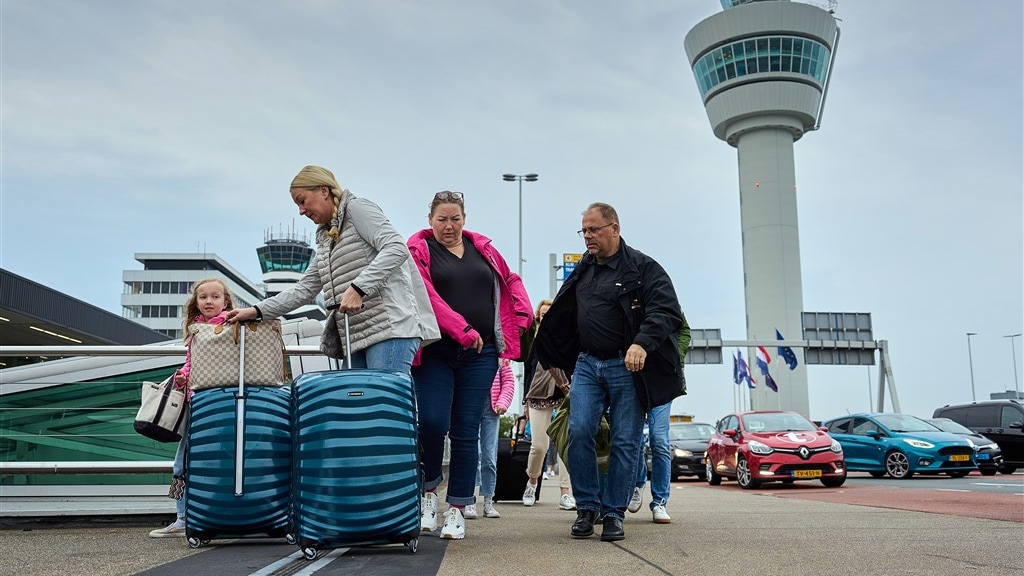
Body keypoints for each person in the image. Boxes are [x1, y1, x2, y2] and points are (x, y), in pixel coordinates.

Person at [532, 202, 685, 543]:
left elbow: (666, 310)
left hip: (626, 366)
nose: (588, 236)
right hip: (587, 363)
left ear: (614, 228)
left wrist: (642, 343)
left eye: (594, 229)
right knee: (580, 430)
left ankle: (614, 513)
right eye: (583, 230)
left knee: (626, 440)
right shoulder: (585, 268)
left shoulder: (643, 268)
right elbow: (566, 309)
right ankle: (587, 508)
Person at [226, 165, 439, 376]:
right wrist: (256, 311)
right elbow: (304, 289)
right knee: (361, 408)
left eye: (302, 201)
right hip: (355, 335)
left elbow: (395, 247)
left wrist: (358, 289)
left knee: (383, 405)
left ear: (324, 191)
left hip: (389, 329)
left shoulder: (357, 209)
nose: (301, 211)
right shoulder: (326, 239)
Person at [408, 190, 533, 540]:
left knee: (466, 431)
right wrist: (460, 329)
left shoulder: (484, 249)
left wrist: (521, 316)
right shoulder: (418, 251)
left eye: (455, 219)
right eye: (441, 220)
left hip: (482, 353)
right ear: (430, 220)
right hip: (436, 351)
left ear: (464, 219)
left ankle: (458, 509)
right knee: (431, 423)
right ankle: (430, 493)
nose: (449, 226)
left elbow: (510, 281)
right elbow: (426, 297)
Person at [148, 277, 235, 537]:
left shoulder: (233, 325)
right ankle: (183, 516)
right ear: (196, 302)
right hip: (198, 403)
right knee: (185, 463)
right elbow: (191, 363)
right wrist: (183, 376)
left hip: (211, 403)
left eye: (215, 297)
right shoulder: (195, 330)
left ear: (226, 301)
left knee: (185, 463)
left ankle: (185, 517)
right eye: (203, 297)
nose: (209, 301)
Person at [630, 315, 689, 524]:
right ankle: (637, 484)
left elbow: (685, 331)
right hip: (633, 378)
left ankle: (660, 502)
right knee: (633, 441)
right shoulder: (630, 298)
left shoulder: (666, 300)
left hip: (663, 381)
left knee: (659, 441)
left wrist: (675, 355)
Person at [521, 299, 575, 511]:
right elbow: (528, 370)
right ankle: (532, 482)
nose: (546, 318)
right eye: (542, 315)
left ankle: (565, 493)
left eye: (549, 314)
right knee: (539, 446)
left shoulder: (566, 337)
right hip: (537, 394)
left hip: (564, 392)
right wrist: (525, 402)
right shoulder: (534, 339)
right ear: (538, 317)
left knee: (565, 445)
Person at [465, 358, 514, 520]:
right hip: (471, 404)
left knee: (489, 456)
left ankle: (488, 500)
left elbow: (508, 382)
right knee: (473, 454)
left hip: (492, 409)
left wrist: (502, 403)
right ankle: (468, 499)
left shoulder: (502, 358)